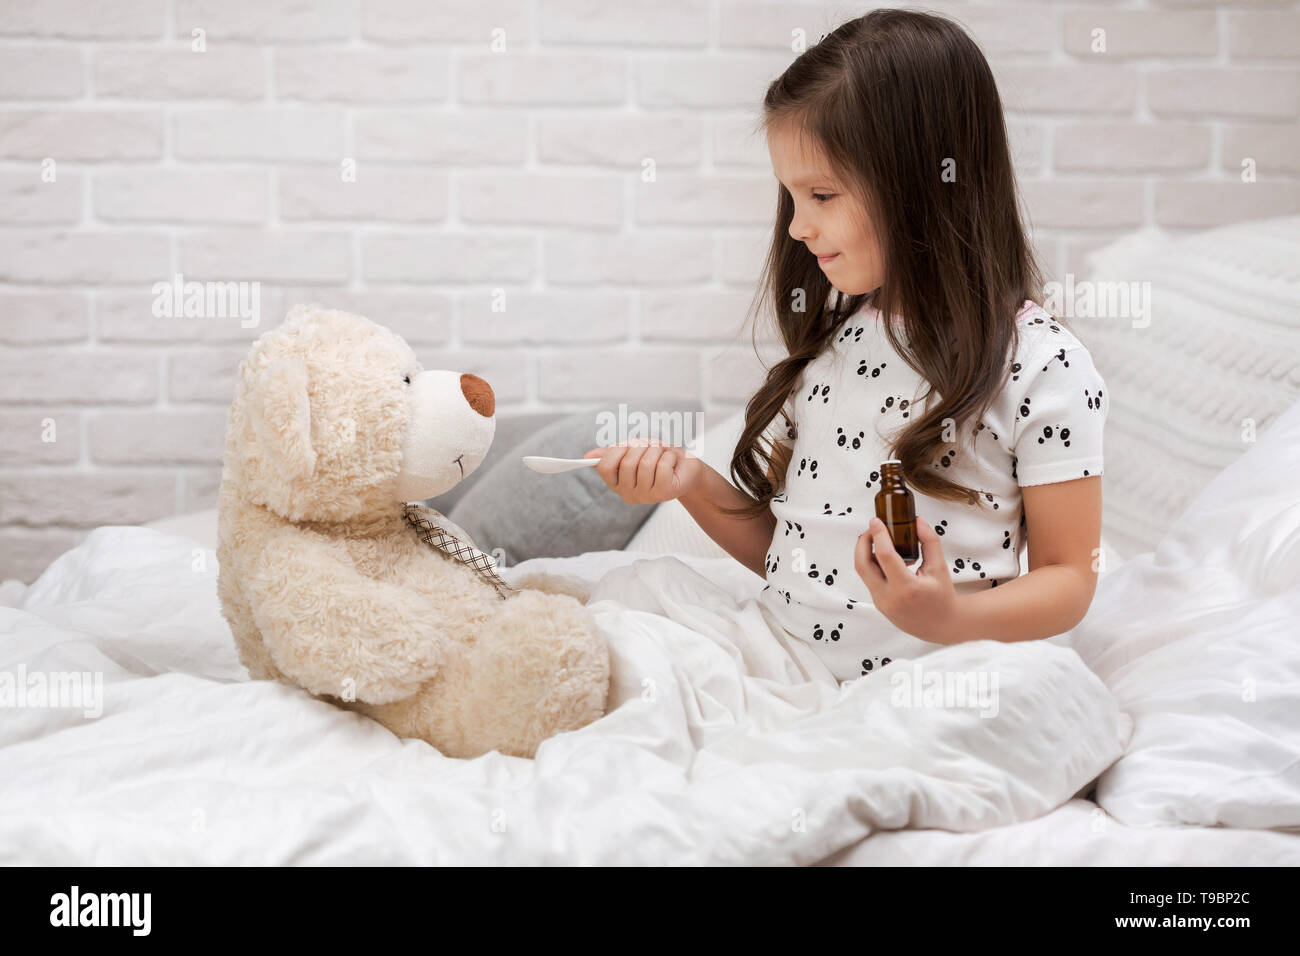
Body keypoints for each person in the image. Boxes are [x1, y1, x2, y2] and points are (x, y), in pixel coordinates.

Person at [584, 9, 1108, 682]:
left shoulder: (1044, 366)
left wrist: (949, 619)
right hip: (792, 662)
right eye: (792, 196)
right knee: (622, 604)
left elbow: (1070, 578)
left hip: (937, 679)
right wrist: (689, 483)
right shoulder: (837, 341)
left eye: (822, 193)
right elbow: (796, 559)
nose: (799, 226)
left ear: (921, 184)